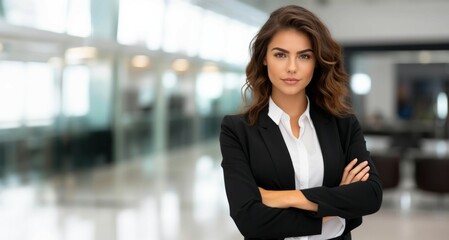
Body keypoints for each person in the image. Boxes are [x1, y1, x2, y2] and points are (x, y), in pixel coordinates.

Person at [219, 5, 383, 240]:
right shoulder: (237, 130)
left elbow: (371, 195)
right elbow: (250, 220)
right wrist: (335, 205)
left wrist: (286, 197)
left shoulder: (343, 124)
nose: (292, 67)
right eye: (280, 54)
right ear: (264, 58)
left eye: (304, 56)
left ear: (316, 62)